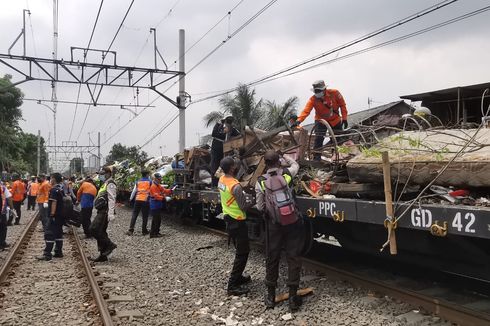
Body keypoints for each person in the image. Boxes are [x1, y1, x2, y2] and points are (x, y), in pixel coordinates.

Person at [255, 150, 304, 312]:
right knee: (293, 256)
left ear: (265, 163)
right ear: (278, 161)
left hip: (273, 225)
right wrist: (286, 157)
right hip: (292, 222)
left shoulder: (261, 181)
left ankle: (270, 297)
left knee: (272, 257)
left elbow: (260, 207)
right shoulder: (287, 174)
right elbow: (296, 164)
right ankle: (292, 298)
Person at [218, 156, 254, 295]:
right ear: (233, 168)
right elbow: (244, 206)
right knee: (242, 253)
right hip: (238, 221)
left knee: (240, 250)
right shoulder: (235, 185)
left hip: (229, 218)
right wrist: (254, 199)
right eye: (235, 165)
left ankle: (238, 277)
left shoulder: (221, 180)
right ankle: (232, 285)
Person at [295, 80, 348, 160]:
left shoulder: (335, 93)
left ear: (324, 89)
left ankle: (336, 157)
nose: (317, 93)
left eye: (319, 91)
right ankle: (316, 159)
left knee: (337, 139)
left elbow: (342, 105)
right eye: (315, 91)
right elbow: (306, 111)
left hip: (335, 120)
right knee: (318, 139)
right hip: (320, 121)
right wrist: (299, 121)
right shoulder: (313, 99)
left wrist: (344, 118)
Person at [90, 167, 117, 262]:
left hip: (105, 211)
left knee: (93, 229)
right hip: (101, 210)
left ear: (109, 173)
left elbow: (112, 198)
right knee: (101, 231)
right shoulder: (105, 183)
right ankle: (102, 254)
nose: (101, 176)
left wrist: (111, 213)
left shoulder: (110, 184)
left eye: (103, 173)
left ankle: (110, 244)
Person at [36, 173, 65, 261]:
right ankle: (58, 252)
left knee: (49, 233)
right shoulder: (61, 189)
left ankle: (47, 254)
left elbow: (54, 202)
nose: (50, 180)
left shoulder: (53, 190)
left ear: (54, 179)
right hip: (60, 215)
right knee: (59, 233)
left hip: (55, 215)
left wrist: (52, 214)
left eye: (51, 178)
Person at [210, 116, 240, 187]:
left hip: (225, 152)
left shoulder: (232, 129)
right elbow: (213, 133)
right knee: (215, 167)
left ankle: (222, 184)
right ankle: (214, 185)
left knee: (224, 167)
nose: (228, 122)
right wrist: (219, 123)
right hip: (216, 150)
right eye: (227, 120)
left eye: (230, 121)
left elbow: (239, 135)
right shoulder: (219, 126)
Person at [126, 170, 151, 235]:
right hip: (145, 200)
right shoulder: (150, 182)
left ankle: (131, 230)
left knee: (134, 214)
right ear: (147, 174)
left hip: (137, 199)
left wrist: (130, 199)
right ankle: (144, 231)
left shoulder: (138, 182)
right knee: (145, 216)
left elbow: (134, 191)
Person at [149, 173, 172, 238]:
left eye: (160, 179)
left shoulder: (158, 185)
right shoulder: (153, 186)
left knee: (156, 220)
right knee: (156, 220)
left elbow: (164, 190)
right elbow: (156, 196)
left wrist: (171, 190)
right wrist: (164, 198)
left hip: (157, 205)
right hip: (154, 205)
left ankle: (154, 233)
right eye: (159, 179)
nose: (160, 180)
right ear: (155, 179)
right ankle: (154, 234)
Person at [0, 181, 16, 250]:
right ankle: (2, 243)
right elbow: (9, 198)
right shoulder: (2, 188)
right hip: (2, 212)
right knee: (3, 227)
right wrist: (12, 209)